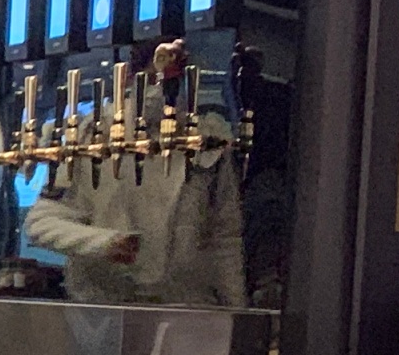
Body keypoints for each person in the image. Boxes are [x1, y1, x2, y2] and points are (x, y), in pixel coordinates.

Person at [29, 114, 245, 307]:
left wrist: (238, 310)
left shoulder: (207, 140)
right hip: (102, 306)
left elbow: (226, 238)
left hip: (184, 307)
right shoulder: (93, 135)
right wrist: (106, 243)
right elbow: (40, 222)